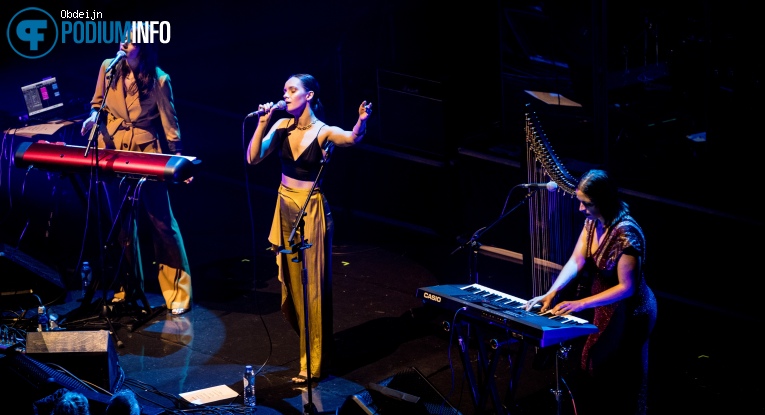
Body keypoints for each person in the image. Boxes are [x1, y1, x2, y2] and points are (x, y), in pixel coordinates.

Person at [246, 73, 372, 383]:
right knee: (292, 282)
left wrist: (361, 121)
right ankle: (308, 349)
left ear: (310, 95)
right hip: (285, 205)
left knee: (313, 288)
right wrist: (263, 121)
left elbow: (352, 138)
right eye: (284, 90)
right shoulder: (281, 126)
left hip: (312, 210)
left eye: (292, 90)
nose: (285, 95)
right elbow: (252, 158)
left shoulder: (322, 131)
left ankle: (314, 363)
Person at [524, 169, 658, 415]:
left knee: (620, 375)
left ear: (604, 201)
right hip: (604, 306)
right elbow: (576, 261)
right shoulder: (591, 223)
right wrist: (552, 292)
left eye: (587, 204)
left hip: (630, 312)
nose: (581, 209)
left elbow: (626, 288)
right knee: (593, 365)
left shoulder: (626, 233)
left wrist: (580, 304)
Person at [80, 28, 192, 315]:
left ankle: (178, 291)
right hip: (111, 148)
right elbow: (97, 104)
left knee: (161, 223)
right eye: (124, 37)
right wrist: (93, 118)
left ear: (143, 47)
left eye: (130, 40)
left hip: (146, 152)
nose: (123, 42)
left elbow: (170, 123)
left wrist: (179, 162)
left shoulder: (159, 79)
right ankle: (125, 287)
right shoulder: (108, 67)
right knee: (120, 225)